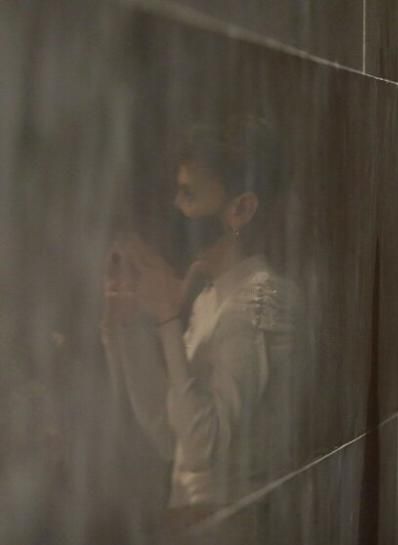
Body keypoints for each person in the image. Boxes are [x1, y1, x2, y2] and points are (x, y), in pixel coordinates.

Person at [101, 117, 302, 526]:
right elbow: (169, 436)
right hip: (194, 523)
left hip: (236, 528)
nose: (176, 208)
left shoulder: (261, 300)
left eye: (189, 194)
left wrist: (167, 319)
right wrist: (129, 329)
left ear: (241, 209)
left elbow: (202, 451)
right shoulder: (212, 297)